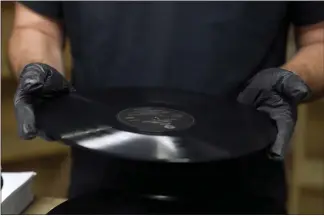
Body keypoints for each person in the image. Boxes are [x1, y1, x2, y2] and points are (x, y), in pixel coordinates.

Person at [9, 1, 324, 214]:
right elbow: (37, 26)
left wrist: (291, 81)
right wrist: (36, 69)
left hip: (244, 189)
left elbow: (319, 38)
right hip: (101, 183)